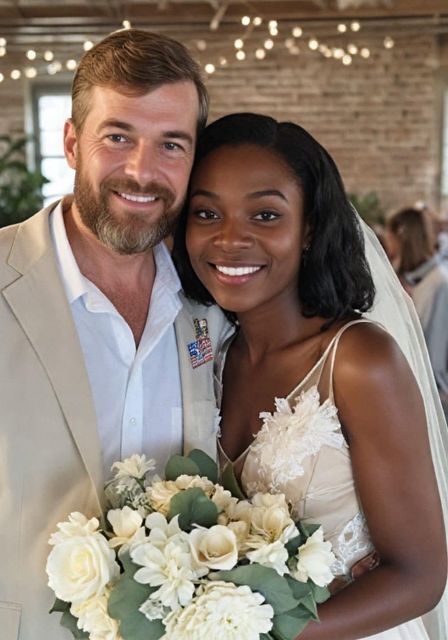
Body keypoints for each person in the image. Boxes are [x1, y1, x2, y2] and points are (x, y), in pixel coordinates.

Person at [0, 30, 230, 640]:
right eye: (117, 136)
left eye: (170, 145)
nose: (142, 171)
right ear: (72, 142)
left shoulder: (210, 305)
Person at [173, 113, 448, 639]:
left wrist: (254, 633)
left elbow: (420, 576)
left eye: (266, 216)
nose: (230, 239)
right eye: (207, 213)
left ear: (310, 229)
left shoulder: (358, 360)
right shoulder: (208, 360)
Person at [385, 207, 448, 418]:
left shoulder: (438, 283)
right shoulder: (408, 277)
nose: (386, 242)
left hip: (432, 396)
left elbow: (434, 356)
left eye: (390, 236)